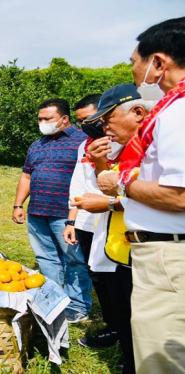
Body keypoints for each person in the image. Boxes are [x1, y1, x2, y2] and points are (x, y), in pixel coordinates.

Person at [94, 17, 185, 374]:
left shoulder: (177, 113)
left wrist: (120, 183)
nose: (133, 70)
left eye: (135, 61)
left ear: (158, 63)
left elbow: (180, 197)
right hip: (167, 252)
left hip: (169, 257)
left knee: (161, 361)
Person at [72, 83, 156, 374]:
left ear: (137, 112)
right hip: (120, 251)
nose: (101, 127)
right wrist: (98, 161)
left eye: (106, 120)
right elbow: (110, 185)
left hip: (147, 251)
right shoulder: (126, 147)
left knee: (145, 325)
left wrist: (109, 204)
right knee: (124, 318)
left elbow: (158, 197)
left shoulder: (157, 148)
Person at [12, 98, 92, 323]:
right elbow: (26, 175)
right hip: (38, 212)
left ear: (64, 119)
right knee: (46, 258)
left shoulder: (82, 141)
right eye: (40, 119)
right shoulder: (37, 145)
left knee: (73, 260)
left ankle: (78, 305)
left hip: (66, 213)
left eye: (47, 119)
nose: (42, 123)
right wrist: (19, 204)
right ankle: (55, 301)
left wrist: (74, 216)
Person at [64, 94, 119, 347]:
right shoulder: (84, 145)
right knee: (97, 275)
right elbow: (78, 182)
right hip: (86, 220)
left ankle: (122, 329)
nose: (85, 125)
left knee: (115, 279)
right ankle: (113, 326)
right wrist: (71, 220)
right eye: (80, 122)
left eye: (88, 119)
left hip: (112, 217)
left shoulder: (120, 143)